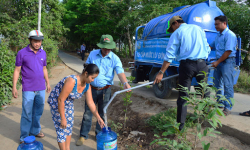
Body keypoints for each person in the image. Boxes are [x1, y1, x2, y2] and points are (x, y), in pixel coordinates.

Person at [154, 16, 211, 131]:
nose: (173, 30)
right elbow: (207, 48)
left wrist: (161, 72)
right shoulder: (198, 28)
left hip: (187, 66)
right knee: (205, 92)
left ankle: (181, 126)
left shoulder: (177, 32)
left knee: (183, 96)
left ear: (176, 23)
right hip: (202, 65)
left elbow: (169, 55)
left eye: (172, 28)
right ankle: (206, 120)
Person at [76, 34, 131, 146]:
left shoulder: (115, 58)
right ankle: (83, 135)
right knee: (88, 112)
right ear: (101, 46)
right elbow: (86, 68)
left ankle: (99, 134)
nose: (107, 50)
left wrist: (125, 83)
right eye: (105, 48)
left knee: (102, 112)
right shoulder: (93, 54)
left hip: (105, 90)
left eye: (109, 48)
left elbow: (120, 72)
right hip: (91, 88)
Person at [48, 63, 105, 150]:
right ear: (86, 73)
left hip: (68, 103)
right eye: (92, 77)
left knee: (69, 127)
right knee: (62, 129)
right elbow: (60, 100)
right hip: (57, 103)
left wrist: (98, 118)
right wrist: (63, 118)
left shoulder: (87, 85)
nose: (93, 80)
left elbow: (90, 103)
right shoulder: (72, 81)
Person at [12, 30, 51, 143]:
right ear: (30, 40)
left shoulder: (43, 53)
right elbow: (17, 70)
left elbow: (44, 69)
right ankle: (24, 136)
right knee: (27, 113)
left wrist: (48, 83)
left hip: (41, 88)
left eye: (39, 41)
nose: (37, 43)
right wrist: (14, 87)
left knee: (38, 111)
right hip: (28, 88)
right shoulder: (22, 53)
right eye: (35, 41)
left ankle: (35, 131)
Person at [210, 15, 237, 116]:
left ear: (224, 23)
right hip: (219, 62)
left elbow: (228, 51)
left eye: (217, 24)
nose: (215, 26)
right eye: (215, 24)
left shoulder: (230, 35)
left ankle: (228, 107)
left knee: (227, 84)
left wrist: (217, 62)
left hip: (227, 62)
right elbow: (211, 45)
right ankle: (220, 102)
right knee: (217, 84)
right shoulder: (218, 35)